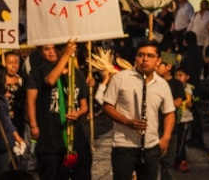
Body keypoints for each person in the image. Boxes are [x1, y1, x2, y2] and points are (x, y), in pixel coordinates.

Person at [101, 41, 177, 180]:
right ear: (135, 58)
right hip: (123, 145)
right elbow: (107, 106)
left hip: (151, 146)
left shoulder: (162, 84)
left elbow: (169, 112)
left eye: (150, 56)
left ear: (158, 60)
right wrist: (127, 121)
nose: (145, 59)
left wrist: (166, 137)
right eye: (141, 55)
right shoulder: (121, 78)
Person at [27, 41, 91, 180]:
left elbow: (84, 106)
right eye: (46, 49)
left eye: (55, 49)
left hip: (74, 135)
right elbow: (48, 82)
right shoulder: (39, 72)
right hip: (50, 137)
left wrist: (78, 113)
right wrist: (33, 124)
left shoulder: (77, 75)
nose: (51, 52)